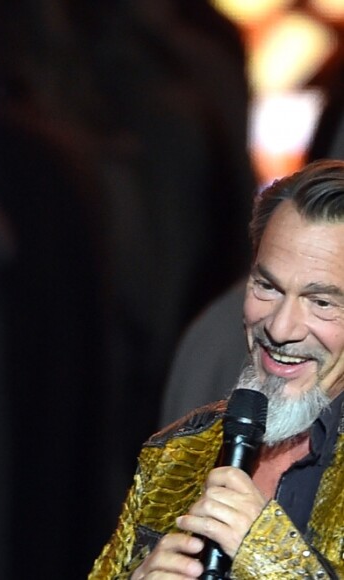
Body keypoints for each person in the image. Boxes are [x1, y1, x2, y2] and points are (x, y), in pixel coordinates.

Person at [89, 159, 344, 579]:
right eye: (268, 286)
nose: (280, 328)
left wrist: (267, 553)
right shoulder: (176, 452)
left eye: (321, 302)